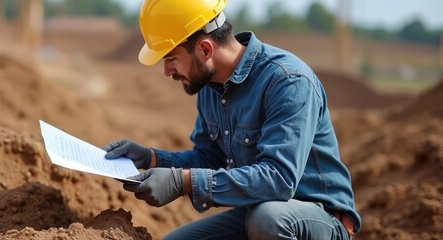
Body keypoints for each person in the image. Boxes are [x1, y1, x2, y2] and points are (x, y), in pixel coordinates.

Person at [101, 0, 361, 239]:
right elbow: (208, 158)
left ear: (204, 49)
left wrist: (184, 182)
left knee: (268, 219)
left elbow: (279, 180)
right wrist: (150, 158)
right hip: (258, 211)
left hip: (318, 218)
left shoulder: (287, 81)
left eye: (171, 59)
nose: (167, 71)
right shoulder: (210, 89)